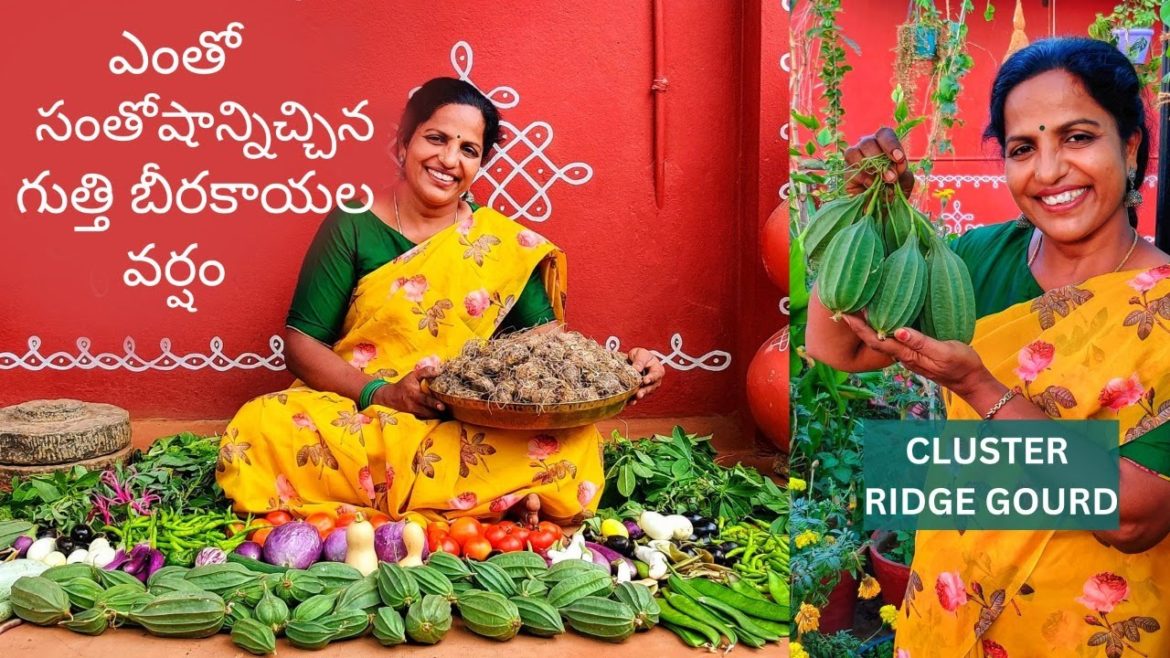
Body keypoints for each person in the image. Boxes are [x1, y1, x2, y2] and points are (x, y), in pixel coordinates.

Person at [806, 38, 1170, 657]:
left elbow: (1132, 520)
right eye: (1023, 148)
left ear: (1131, 146)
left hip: (1087, 630)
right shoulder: (971, 261)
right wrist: (867, 215)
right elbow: (836, 346)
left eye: (1078, 137)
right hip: (949, 611)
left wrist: (979, 388)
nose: (1049, 171)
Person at [217, 77, 664, 527]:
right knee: (262, 425)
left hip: (462, 418)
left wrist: (620, 371)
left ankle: (428, 505)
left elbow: (549, 349)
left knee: (574, 441)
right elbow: (301, 343)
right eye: (436, 138)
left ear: (481, 163)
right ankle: (494, 505)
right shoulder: (352, 224)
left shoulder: (501, 244)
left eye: (468, 150)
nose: (449, 160)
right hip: (362, 410)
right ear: (403, 141)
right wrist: (384, 394)